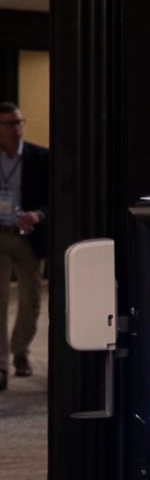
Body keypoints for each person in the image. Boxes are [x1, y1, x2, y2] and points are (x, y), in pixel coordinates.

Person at [0, 102, 49, 390]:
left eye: (18, 122)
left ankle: (20, 352)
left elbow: (55, 197)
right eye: (7, 123)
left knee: (31, 300)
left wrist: (38, 215)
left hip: (27, 235)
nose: (14, 128)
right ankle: (1, 365)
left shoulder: (39, 157)